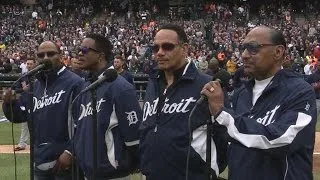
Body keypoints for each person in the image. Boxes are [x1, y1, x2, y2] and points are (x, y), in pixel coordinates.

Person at [201, 26, 317, 180]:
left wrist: (222, 114)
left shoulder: (300, 91)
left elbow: (281, 140)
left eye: (253, 48)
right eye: (243, 48)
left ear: (278, 52)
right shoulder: (241, 93)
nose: (244, 55)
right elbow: (231, 142)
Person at [140, 24, 227, 180]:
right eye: (155, 48)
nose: (160, 53)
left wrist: (208, 171)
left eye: (167, 47)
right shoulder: (153, 84)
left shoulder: (206, 84)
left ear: (184, 49)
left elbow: (223, 135)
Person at [2, 41, 85, 179]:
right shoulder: (35, 85)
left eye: (51, 54)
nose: (45, 58)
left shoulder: (75, 83)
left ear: (60, 56)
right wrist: (9, 103)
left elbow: (84, 124)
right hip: (40, 162)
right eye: (41, 55)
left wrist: (71, 152)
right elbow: (19, 115)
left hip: (66, 165)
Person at [73, 33, 142, 179]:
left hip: (112, 174)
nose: (79, 53)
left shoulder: (121, 87)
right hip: (88, 173)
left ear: (100, 56)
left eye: (85, 50)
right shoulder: (86, 87)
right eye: (79, 49)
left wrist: (122, 165)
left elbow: (134, 137)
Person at [13, 58, 37, 151]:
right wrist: (23, 89)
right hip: (26, 103)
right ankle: (22, 144)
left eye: (31, 64)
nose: (29, 65)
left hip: (37, 103)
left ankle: (38, 143)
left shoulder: (39, 75)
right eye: (28, 63)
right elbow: (16, 89)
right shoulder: (23, 76)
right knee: (24, 125)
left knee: (38, 124)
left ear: (35, 64)